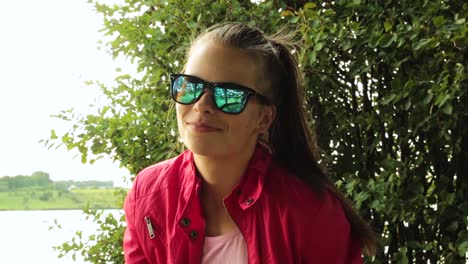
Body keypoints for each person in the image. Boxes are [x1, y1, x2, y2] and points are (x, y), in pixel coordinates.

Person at [123, 22, 377, 263]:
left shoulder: (311, 211)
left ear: (264, 118)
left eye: (229, 95)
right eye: (191, 86)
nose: (202, 105)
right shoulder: (148, 194)